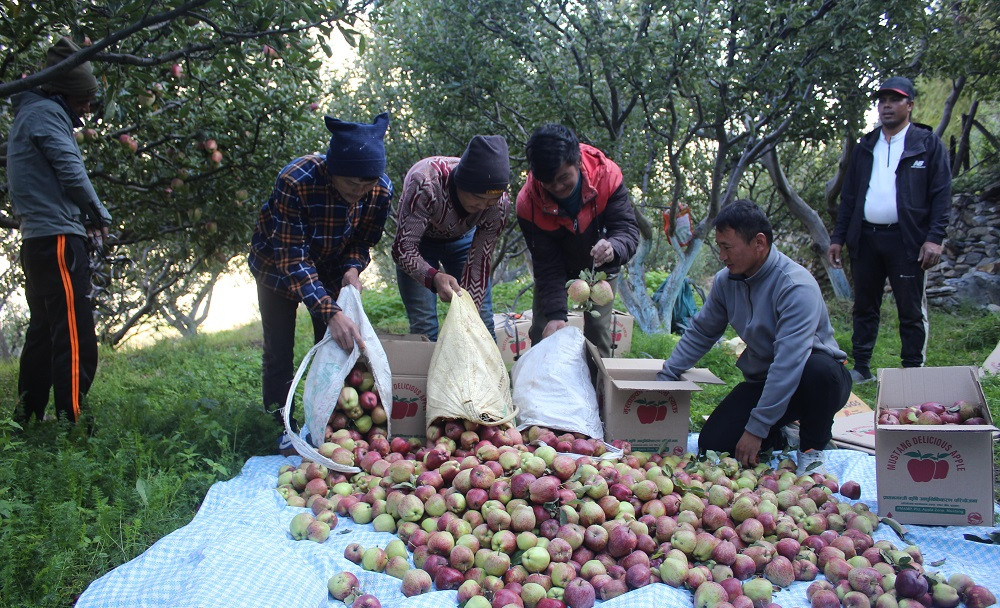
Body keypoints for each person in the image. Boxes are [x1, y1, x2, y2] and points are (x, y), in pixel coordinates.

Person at [656, 200, 851, 475]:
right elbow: (702, 331)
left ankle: (812, 448)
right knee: (714, 443)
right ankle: (782, 436)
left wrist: (756, 428)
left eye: (727, 247)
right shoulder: (727, 282)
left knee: (820, 371)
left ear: (759, 242)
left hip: (814, 379)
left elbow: (789, 362)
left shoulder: (795, 286)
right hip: (768, 380)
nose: (722, 256)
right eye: (719, 247)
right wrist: (667, 375)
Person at [249, 113, 392, 452]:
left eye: (366, 185)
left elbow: (361, 241)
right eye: (352, 184)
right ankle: (280, 423)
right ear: (332, 171)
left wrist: (352, 269)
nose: (359, 193)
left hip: (330, 267)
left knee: (336, 348)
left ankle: (330, 424)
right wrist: (330, 310)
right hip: (276, 267)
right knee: (279, 349)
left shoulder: (380, 190)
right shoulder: (296, 181)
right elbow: (292, 258)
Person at [8, 37, 112, 424]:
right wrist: (99, 215)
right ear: (64, 93)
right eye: (83, 99)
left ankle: (27, 416)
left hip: (37, 240)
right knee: (74, 334)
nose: (86, 108)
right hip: (56, 241)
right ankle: (74, 419)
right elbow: (71, 170)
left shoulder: (30, 114)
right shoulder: (47, 117)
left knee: (43, 330)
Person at [828, 76, 952, 384]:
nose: (886, 105)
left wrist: (934, 239)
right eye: (882, 100)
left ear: (909, 105)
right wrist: (838, 238)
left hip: (906, 240)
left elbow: (942, 194)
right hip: (866, 239)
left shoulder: (927, 144)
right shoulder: (865, 146)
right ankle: (862, 367)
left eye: (894, 100)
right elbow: (850, 197)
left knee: (910, 308)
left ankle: (912, 371)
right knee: (864, 306)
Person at [516, 124, 639, 358]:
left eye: (564, 178)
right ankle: (541, 389)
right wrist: (556, 315)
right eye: (549, 183)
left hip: (600, 267)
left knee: (598, 332)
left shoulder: (607, 177)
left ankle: (598, 391)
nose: (558, 188)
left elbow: (627, 229)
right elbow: (546, 263)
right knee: (544, 330)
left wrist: (614, 247)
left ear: (578, 162)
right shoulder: (528, 204)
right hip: (558, 268)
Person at [392, 135, 510, 340]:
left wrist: (472, 312)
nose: (483, 207)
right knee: (425, 325)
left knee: (481, 321)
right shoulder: (425, 183)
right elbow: (403, 248)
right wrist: (434, 277)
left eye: (491, 201)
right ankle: (425, 372)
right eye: (478, 198)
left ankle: (482, 372)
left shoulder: (498, 205)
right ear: (460, 184)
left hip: (463, 240)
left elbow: (479, 261)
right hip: (419, 243)